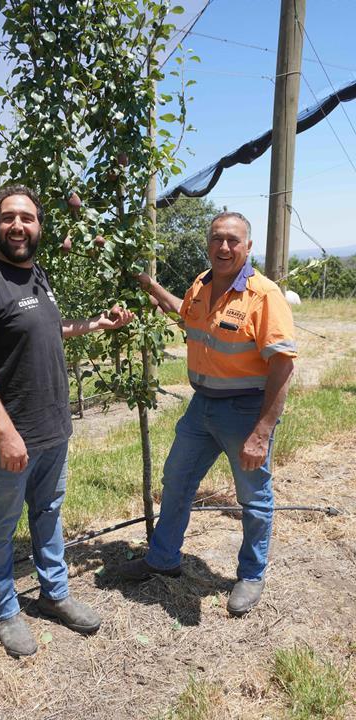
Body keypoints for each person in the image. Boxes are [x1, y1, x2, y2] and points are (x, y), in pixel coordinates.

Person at [0, 184, 133, 656]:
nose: (17, 225)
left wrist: (96, 324)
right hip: (10, 439)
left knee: (49, 515)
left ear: (40, 226)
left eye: (27, 218)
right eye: (8, 217)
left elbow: (49, 328)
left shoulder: (37, 276)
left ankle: (55, 594)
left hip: (53, 429)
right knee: (0, 524)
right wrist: (5, 431)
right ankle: (5, 609)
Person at [119, 211, 296, 616]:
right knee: (177, 480)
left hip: (246, 410)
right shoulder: (201, 284)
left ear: (248, 247)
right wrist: (150, 286)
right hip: (202, 408)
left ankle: (251, 575)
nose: (224, 247)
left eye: (234, 240)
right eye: (217, 239)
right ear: (208, 243)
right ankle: (163, 558)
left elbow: (283, 366)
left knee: (253, 498)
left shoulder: (263, 296)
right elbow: (186, 316)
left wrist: (261, 432)